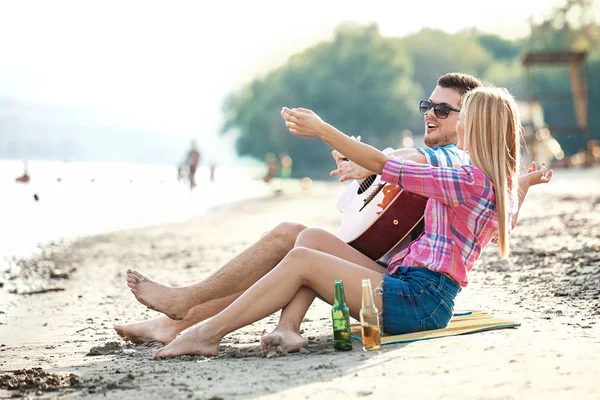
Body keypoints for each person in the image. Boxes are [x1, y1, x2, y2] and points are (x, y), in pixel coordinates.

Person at [113, 73, 548, 350]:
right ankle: (277, 327)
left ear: (478, 124)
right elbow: (500, 221)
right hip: (410, 286)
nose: (435, 116)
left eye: (454, 112)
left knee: (303, 255)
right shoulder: (492, 180)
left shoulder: (465, 174)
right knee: (309, 239)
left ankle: (203, 332)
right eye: (429, 107)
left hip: (419, 298)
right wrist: (523, 185)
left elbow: (394, 164)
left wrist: (325, 131)